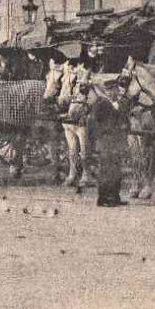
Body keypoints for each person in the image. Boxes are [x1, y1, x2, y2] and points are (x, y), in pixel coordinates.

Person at [89, 73, 131, 207]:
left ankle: (115, 196)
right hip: (106, 140)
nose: (117, 92)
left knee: (116, 169)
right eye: (114, 90)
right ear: (109, 91)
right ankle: (103, 198)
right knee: (106, 170)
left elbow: (125, 120)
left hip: (117, 140)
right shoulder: (101, 104)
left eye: (117, 89)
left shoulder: (120, 104)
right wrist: (97, 139)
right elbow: (93, 123)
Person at [56, 56, 93, 190]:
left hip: (82, 102)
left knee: (83, 147)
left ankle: (86, 174)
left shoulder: (84, 73)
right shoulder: (69, 72)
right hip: (71, 102)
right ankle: (72, 173)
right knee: (71, 148)